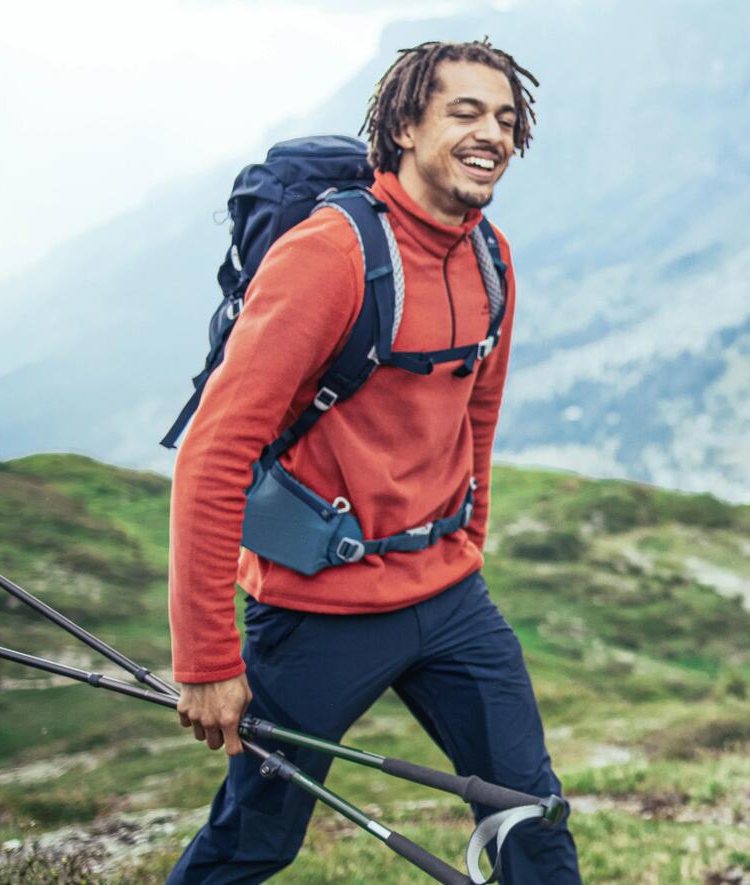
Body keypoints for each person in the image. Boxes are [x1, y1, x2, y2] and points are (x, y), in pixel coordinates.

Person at [164, 39, 581, 883]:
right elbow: (214, 452)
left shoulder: (490, 257)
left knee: (530, 812)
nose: (491, 133)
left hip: (448, 597)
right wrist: (207, 661)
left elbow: (478, 418)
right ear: (402, 126)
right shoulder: (329, 256)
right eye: (464, 112)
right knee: (255, 839)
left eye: (505, 118)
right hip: (317, 614)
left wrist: (467, 546)